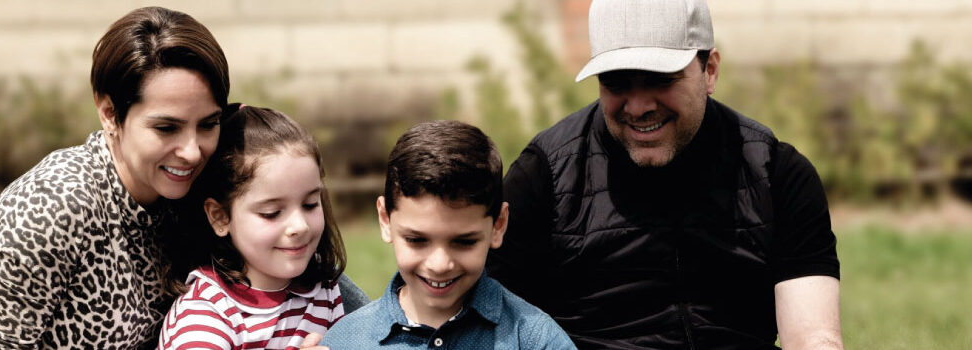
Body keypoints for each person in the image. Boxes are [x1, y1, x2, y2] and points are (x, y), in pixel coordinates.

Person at [0, 8, 366, 349]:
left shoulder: (203, 180)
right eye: (166, 128)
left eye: (207, 124)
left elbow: (305, 264)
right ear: (109, 114)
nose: (192, 151)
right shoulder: (47, 210)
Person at [485, 0, 843, 349]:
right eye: (616, 83)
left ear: (710, 70)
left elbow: (813, 338)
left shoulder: (775, 173)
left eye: (660, 80)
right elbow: (495, 330)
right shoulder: (544, 175)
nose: (639, 106)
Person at [321, 120, 576, 349]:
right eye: (416, 240)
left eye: (464, 242)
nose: (440, 264)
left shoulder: (536, 340)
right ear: (385, 219)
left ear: (498, 225)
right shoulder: (343, 341)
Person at [157, 106, 347, 349]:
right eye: (272, 213)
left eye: (310, 204)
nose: (299, 226)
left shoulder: (322, 289)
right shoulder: (206, 313)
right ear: (220, 217)